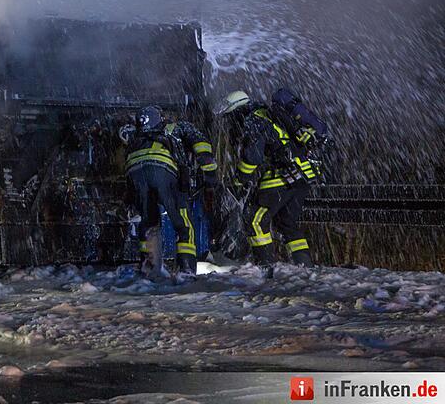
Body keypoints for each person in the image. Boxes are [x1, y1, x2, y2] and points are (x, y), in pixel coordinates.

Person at [217, 88, 328, 266]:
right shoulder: (269, 114)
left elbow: (253, 157)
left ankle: (265, 267)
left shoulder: (254, 120)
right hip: (304, 174)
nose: (231, 123)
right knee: (287, 223)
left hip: (283, 175)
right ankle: (305, 268)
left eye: (231, 117)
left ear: (238, 111)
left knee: (255, 220)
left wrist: (239, 180)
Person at [121, 106, 215, 276]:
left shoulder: (136, 135)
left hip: (135, 171)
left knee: (148, 222)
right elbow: (201, 144)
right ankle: (186, 271)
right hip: (163, 170)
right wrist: (210, 175)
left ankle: (149, 269)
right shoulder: (177, 128)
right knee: (183, 223)